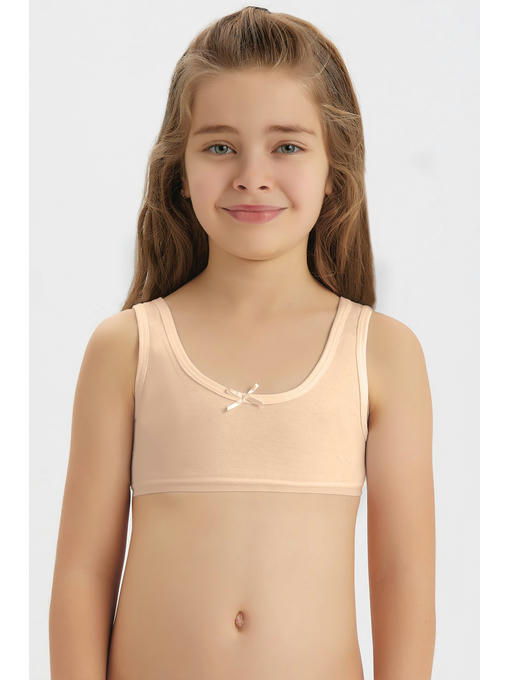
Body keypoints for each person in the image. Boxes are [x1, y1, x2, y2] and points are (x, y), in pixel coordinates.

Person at [49, 6, 436, 679]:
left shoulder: (381, 354)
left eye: (287, 146)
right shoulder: (128, 348)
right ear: (179, 167)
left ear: (334, 168)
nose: (252, 175)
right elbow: (82, 575)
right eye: (220, 147)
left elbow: (403, 579)